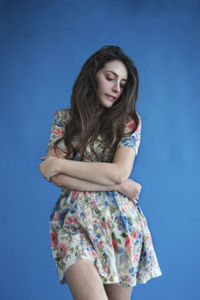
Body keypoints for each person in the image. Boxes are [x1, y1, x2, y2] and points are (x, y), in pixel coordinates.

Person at [40, 45, 162, 300]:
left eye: (123, 83)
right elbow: (56, 179)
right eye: (110, 77)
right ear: (93, 76)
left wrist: (60, 163)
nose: (117, 87)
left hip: (120, 225)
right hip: (74, 222)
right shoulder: (64, 119)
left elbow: (119, 172)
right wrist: (118, 184)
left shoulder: (129, 122)